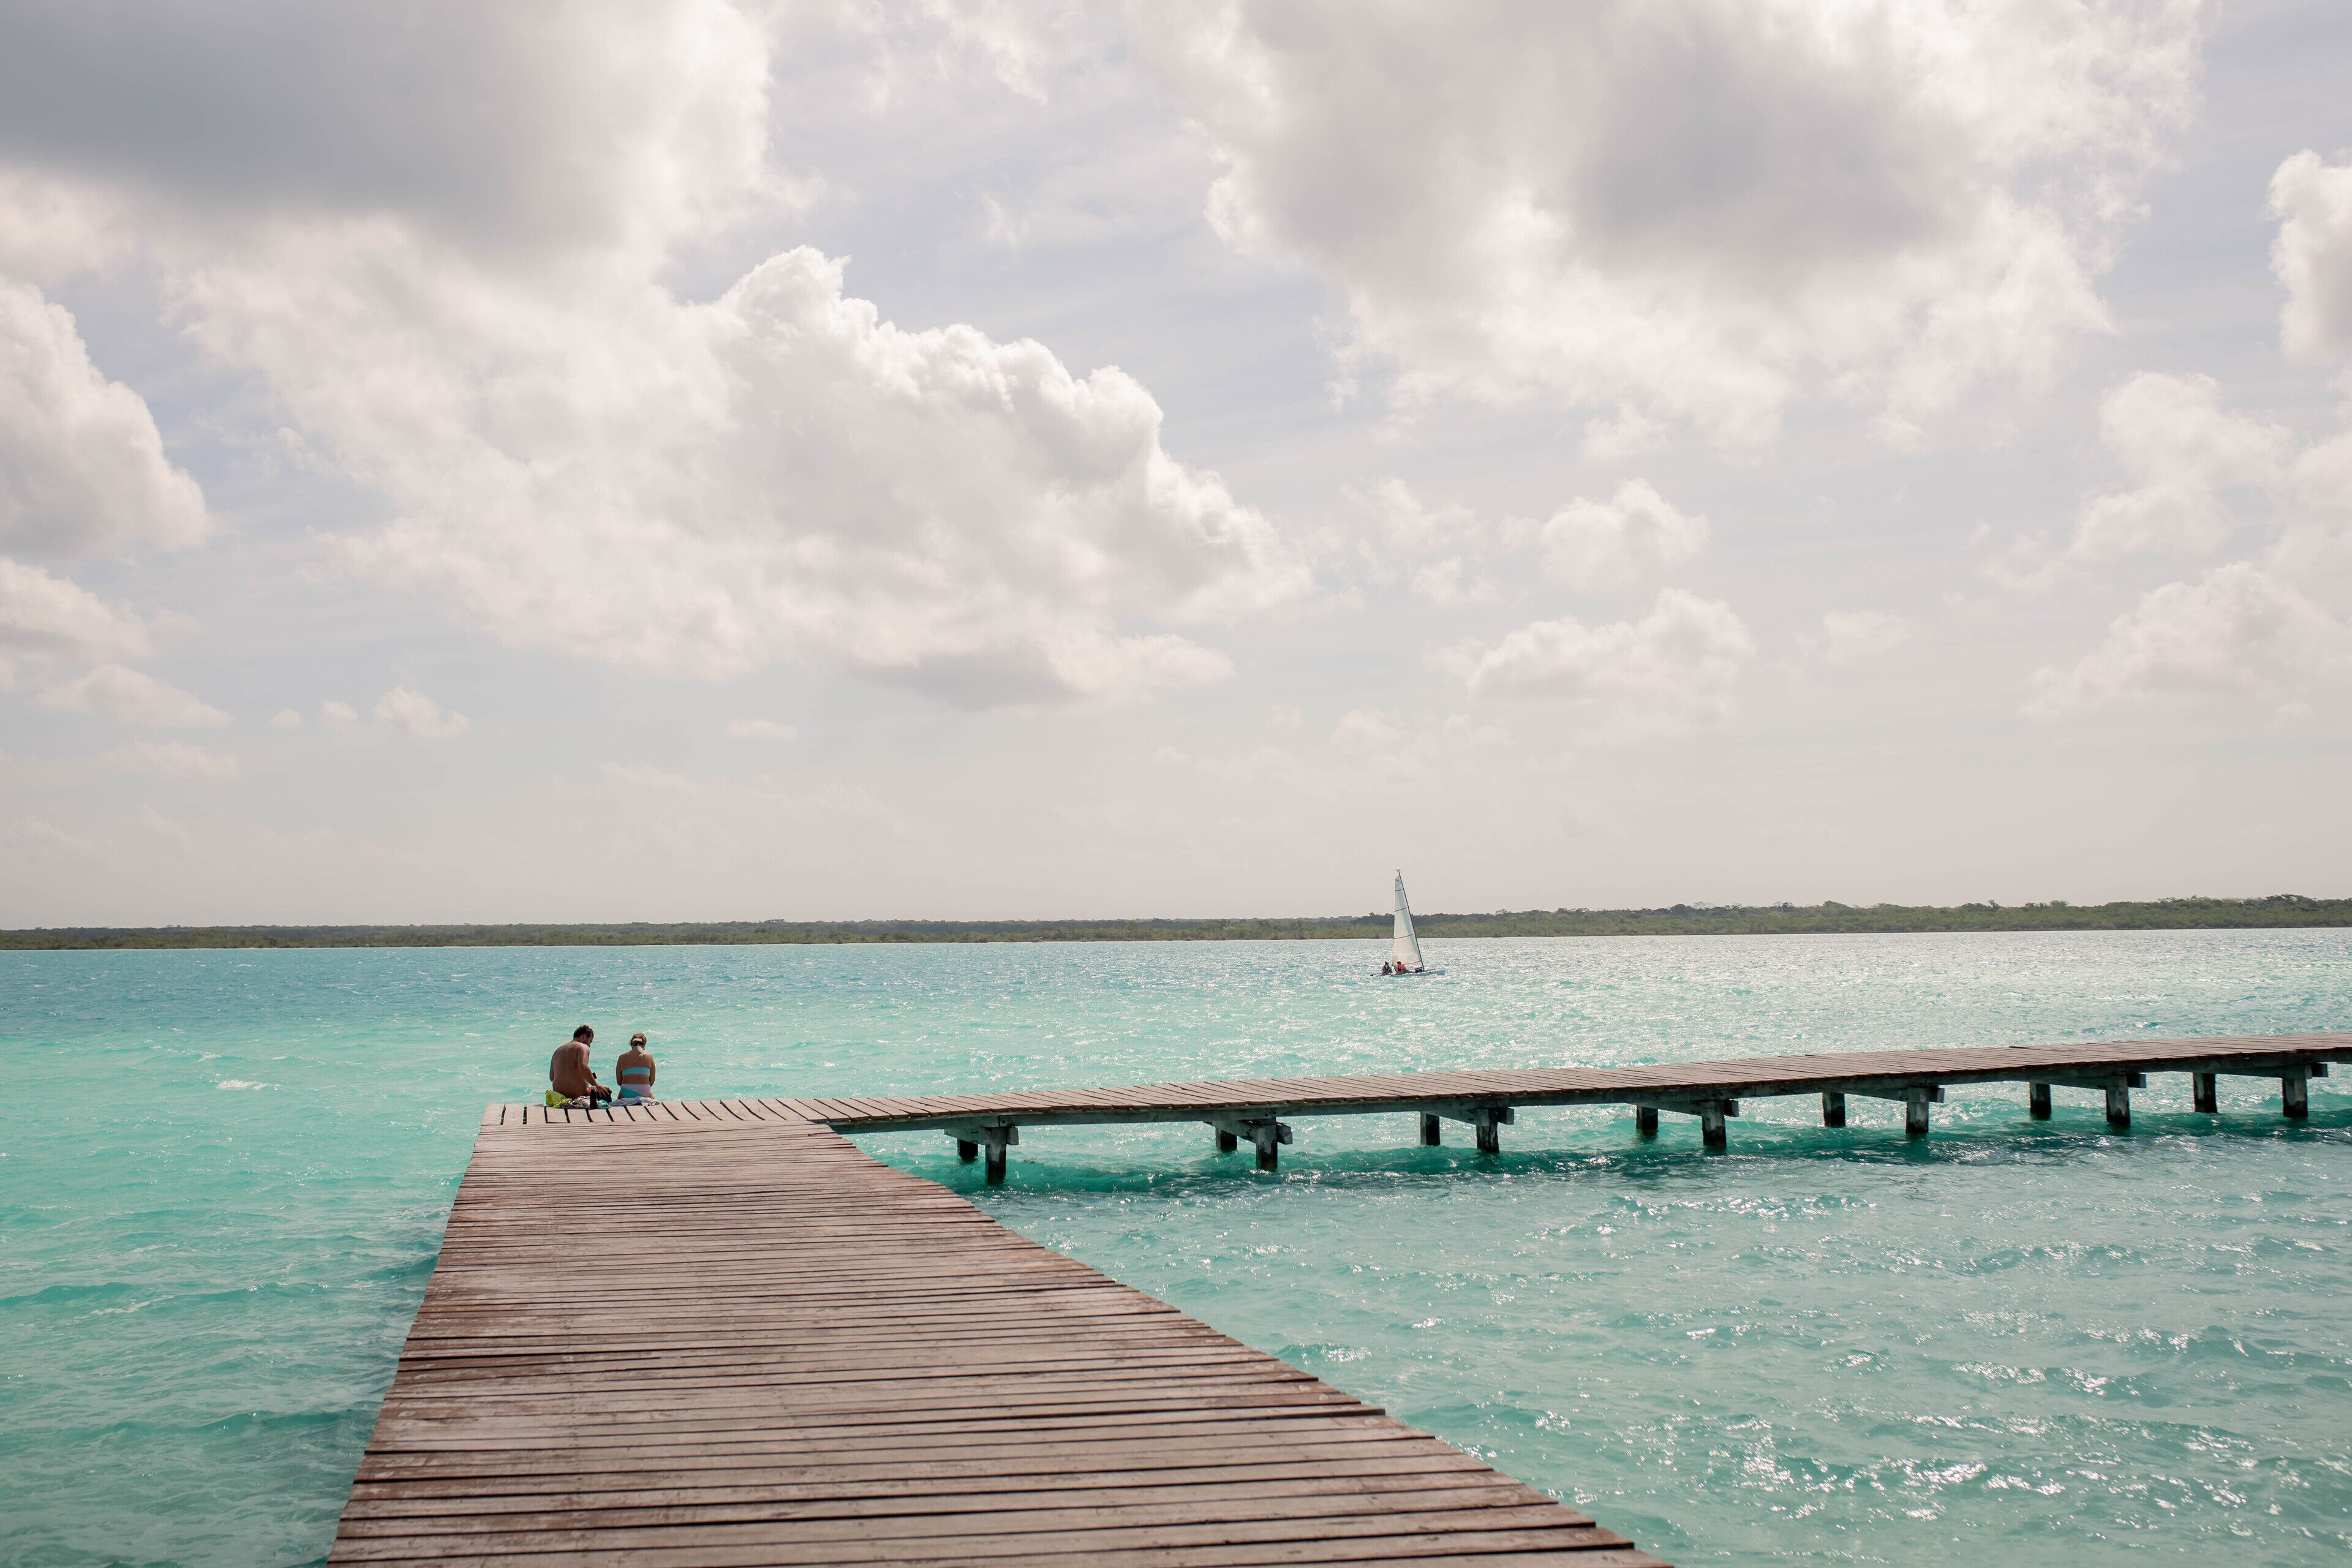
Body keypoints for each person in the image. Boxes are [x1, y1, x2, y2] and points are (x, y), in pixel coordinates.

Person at [548, 1025, 612, 1107]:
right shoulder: (583, 1047)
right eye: (590, 1041)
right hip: (578, 1096)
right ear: (584, 1036)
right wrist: (596, 1085)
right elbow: (583, 1066)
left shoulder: (558, 1051)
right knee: (605, 1092)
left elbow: (552, 1077)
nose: (589, 1045)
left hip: (559, 1097)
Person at [615, 1033, 657, 1102]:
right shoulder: (649, 1057)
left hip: (626, 1091)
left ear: (631, 1044)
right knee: (653, 1100)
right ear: (644, 1045)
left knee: (620, 1099)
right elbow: (651, 1082)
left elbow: (619, 1082)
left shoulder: (622, 1057)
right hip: (645, 1091)